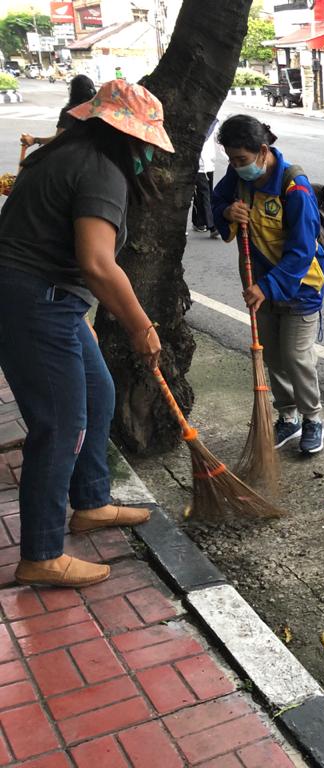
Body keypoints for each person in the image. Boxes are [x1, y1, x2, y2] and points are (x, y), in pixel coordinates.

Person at [0, 80, 173, 588]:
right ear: (127, 135)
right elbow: (97, 263)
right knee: (60, 425)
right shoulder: (100, 169)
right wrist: (141, 326)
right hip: (34, 301)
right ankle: (42, 553)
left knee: (98, 392)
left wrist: (77, 318)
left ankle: (91, 501)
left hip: (52, 299)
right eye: (144, 141)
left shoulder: (68, 153)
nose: (147, 152)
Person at [211, 115, 324, 455]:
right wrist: (228, 212)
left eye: (242, 159)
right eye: (232, 160)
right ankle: (288, 417)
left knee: (296, 356)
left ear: (263, 151)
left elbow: (302, 251)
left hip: (300, 285)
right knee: (273, 357)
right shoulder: (238, 176)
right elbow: (217, 202)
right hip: (258, 283)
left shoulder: (295, 187)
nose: (236, 167)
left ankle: (313, 418)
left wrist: (268, 287)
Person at [20, 74, 96, 149]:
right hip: (97, 153)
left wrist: (35, 140)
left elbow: (59, 139)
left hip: (76, 153)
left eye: (70, 87)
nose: (68, 89)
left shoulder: (69, 112)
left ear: (74, 91)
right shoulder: (96, 108)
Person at [191, 118, 219, 237]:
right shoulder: (199, 123)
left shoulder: (214, 122)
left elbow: (217, 141)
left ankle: (198, 221)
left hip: (209, 164)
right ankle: (212, 226)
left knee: (202, 195)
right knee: (205, 194)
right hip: (200, 165)